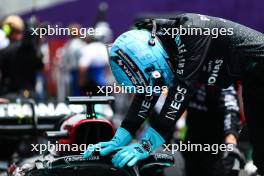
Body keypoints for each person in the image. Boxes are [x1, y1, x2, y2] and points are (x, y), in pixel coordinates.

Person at [83, 13, 264, 174]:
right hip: (254, 79)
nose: (158, 85)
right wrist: (120, 137)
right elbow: (149, 92)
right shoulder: (163, 42)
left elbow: (181, 93)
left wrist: (146, 145)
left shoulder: (192, 32)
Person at [182, 84, 244, 176]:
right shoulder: (188, 76)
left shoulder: (223, 78)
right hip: (192, 138)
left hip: (216, 142)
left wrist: (231, 142)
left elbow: (231, 109)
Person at [0, 15, 43, 96]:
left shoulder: (4, 52)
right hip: (30, 96)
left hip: (9, 96)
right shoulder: (33, 51)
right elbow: (41, 67)